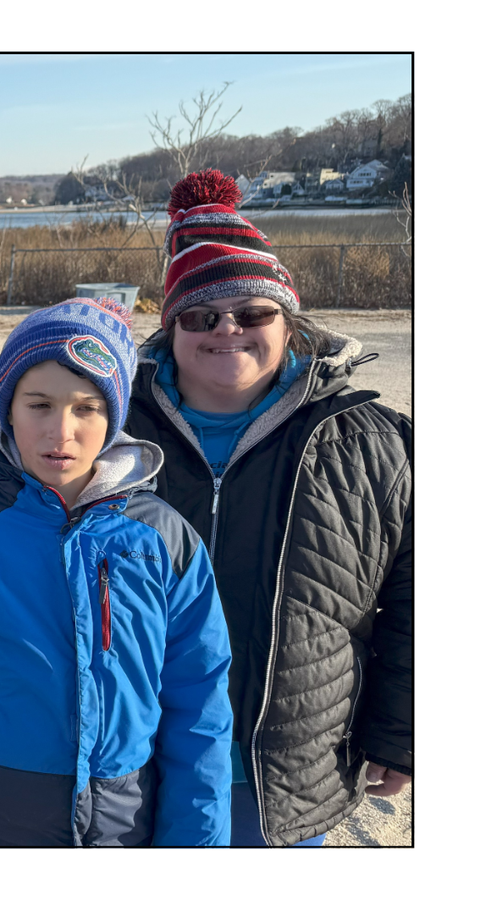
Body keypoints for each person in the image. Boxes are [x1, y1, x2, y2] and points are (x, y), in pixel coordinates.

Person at [0, 297, 234, 847]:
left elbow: (200, 703)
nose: (62, 431)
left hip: (119, 826)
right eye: (39, 405)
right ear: (7, 409)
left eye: (87, 408)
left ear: (115, 416)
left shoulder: (165, 538)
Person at [123, 170, 413, 846]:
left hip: (280, 778)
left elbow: (417, 593)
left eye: (252, 312)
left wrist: (400, 729)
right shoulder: (109, 433)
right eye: (201, 316)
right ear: (171, 329)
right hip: (132, 766)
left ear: (288, 322)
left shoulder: (371, 441)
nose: (227, 329)